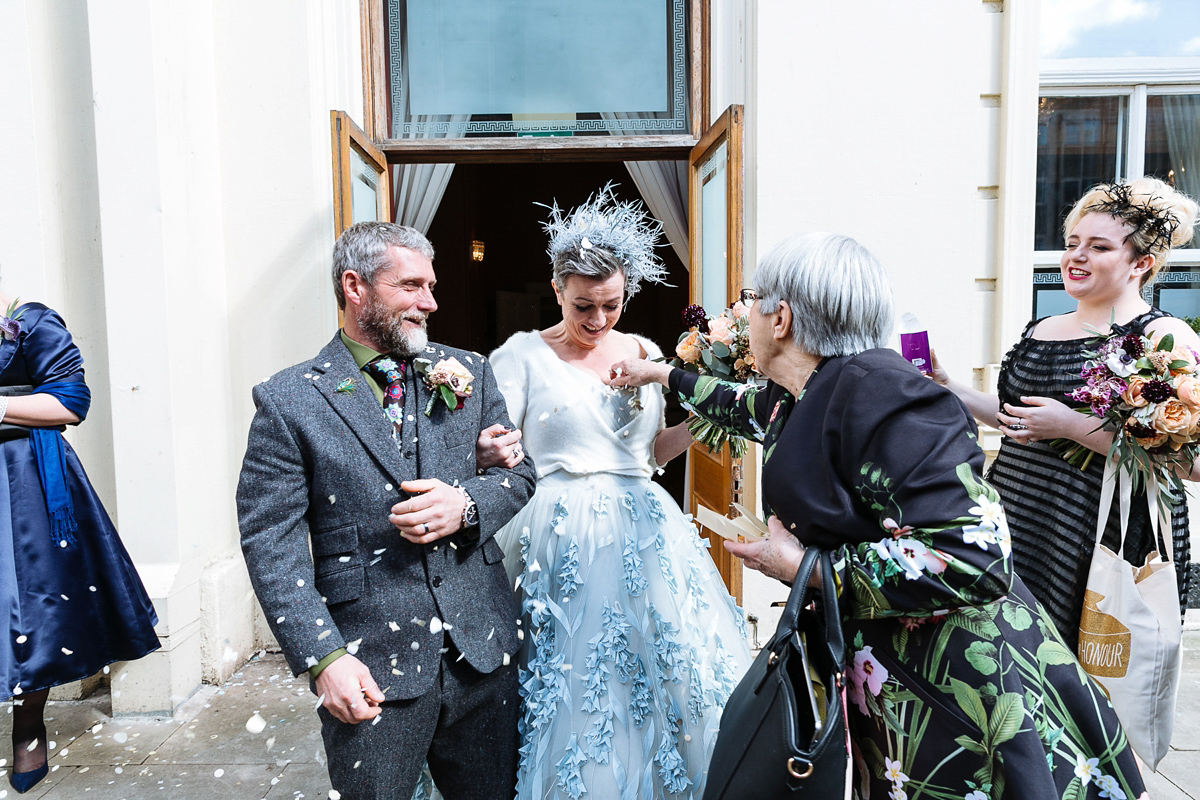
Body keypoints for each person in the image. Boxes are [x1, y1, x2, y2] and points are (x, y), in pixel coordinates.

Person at [611, 232, 1147, 800]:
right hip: (892, 679)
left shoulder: (892, 398)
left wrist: (808, 568)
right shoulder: (800, 393)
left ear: (782, 318)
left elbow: (973, 555)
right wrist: (661, 376)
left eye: (754, 300)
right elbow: (734, 403)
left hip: (962, 687)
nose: (747, 314)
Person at [236, 222, 537, 800]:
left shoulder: (468, 371)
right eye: (412, 286)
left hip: (482, 648)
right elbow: (268, 541)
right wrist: (324, 658)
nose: (431, 302)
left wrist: (467, 503)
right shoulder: (289, 400)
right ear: (355, 286)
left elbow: (519, 475)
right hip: (369, 660)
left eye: (431, 285)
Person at [487, 187, 752, 800]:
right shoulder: (522, 355)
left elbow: (651, 453)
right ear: (557, 291)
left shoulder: (647, 353)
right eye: (584, 305)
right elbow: (494, 448)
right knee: (570, 675)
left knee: (667, 670)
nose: (598, 320)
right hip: (556, 530)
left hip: (644, 526)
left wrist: (709, 422)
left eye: (611, 304)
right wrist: (493, 454)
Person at [933, 177, 1198, 651]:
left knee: (1093, 683)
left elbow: (1193, 464)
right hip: (1023, 518)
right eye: (1072, 243)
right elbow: (1022, 417)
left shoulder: (1166, 338)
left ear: (1142, 263)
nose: (1076, 256)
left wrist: (1073, 426)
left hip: (1103, 537)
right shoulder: (1043, 329)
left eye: (1098, 247)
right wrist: (949, 388)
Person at [0, 292, 160, 794]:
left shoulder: (30, 320)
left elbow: (71, 401)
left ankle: (27, 726)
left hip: (20, 479)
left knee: (32, 606)